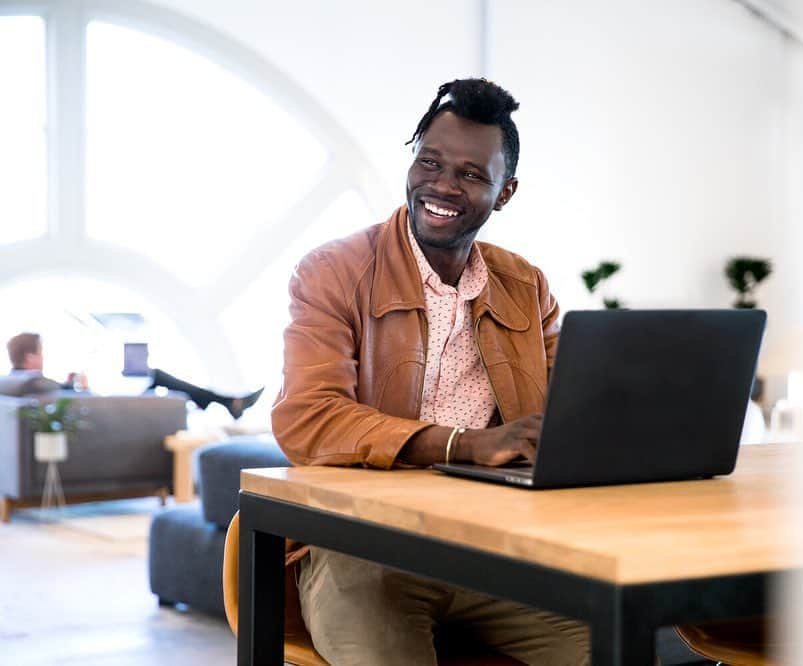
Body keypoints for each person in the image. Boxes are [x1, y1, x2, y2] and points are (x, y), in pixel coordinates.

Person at [272, 79, 588, 665]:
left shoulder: (527, 287)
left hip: (495, 548)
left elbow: (566, 415)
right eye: (430, 162)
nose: (442, 185)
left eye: (470, 174)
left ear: (505, 192)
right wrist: (463, 445)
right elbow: (307, 420)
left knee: (617, 644)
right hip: (357, 546)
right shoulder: (333, 271)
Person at [5, 332, 263, 420]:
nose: (43, 356)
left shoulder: (17, 384)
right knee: (157, 377)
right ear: (29, 357)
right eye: (40, 352)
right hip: (109, 413)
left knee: (154, 378)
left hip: (104, 408)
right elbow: (71, 405)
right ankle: (227, 402)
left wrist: (69, 385)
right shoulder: (35, 382)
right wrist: (78, 387)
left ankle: (223, 402)